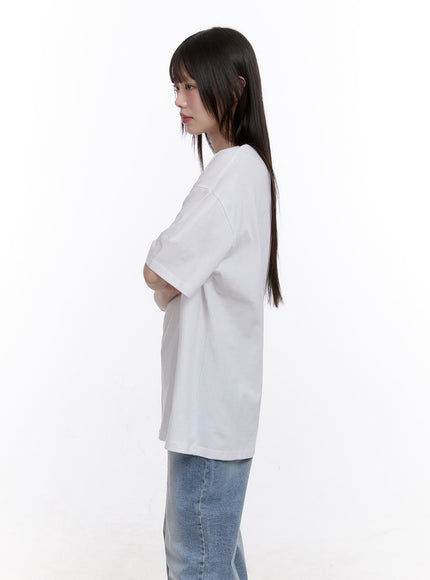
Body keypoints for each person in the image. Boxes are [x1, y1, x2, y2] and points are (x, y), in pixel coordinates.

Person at [143, 26, 283, 579]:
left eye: (190, 86)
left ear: (236, 87)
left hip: (207, 412)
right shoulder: (249, 171)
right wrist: (172, 277)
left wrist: (166, 274)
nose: (179, 100)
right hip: (218, 410)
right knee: (215, 559)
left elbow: (157, 270)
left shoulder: (231, 173)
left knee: (196, 564)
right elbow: (172, 276)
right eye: (175, 87)